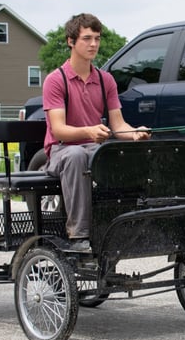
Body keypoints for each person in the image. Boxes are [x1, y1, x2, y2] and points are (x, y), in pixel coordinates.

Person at [43, 13, 150, 251]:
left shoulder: (105, 80)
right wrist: (89, 131)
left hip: (94, 148)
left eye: (97, 39)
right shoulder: (56, 80)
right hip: (62, 152)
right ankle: (78, 236)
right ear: (71, 41)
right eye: (87, 38)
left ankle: (124, 226)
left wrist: (135, 134)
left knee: (121, 154)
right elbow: (59, 130)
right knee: (76, 156)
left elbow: (118, 125)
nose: (93, 44)